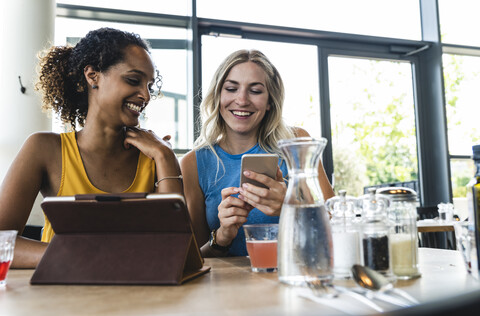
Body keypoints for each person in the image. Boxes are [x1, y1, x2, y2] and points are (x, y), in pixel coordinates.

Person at [0, 27, 183, 268]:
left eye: (149, 85)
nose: (145, 95)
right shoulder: (44, 149)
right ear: (92, 75)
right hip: (60, 297)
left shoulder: (155, 157)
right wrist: (85, 254)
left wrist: (165, 155)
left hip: (138, 299)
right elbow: (2, 242)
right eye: (133, 80)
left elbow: (179, 253)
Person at [181, 49, 335, 257]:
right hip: (227, 287)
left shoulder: (296, 143)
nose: (242, 100)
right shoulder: (194, 163)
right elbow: (195, 260)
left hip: (292, 278)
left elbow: (336, 228)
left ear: (270, 101)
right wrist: (223, 235)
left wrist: (290, 207)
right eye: (231, 88)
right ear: (218, 96)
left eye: (255, 91)